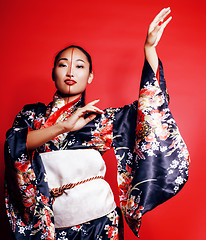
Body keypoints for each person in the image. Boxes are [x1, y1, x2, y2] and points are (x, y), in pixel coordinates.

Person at [4, 7, 190, 240]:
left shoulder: (101, 119)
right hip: (51, 226)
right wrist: (64, 127)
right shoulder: (32, 115)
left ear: (90, 76)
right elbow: (14, 147)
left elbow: (152, 107)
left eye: (80, 66)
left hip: (101, 223)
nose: (71, 71)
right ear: (53, 72)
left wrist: (149, 50)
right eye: (63, 64)